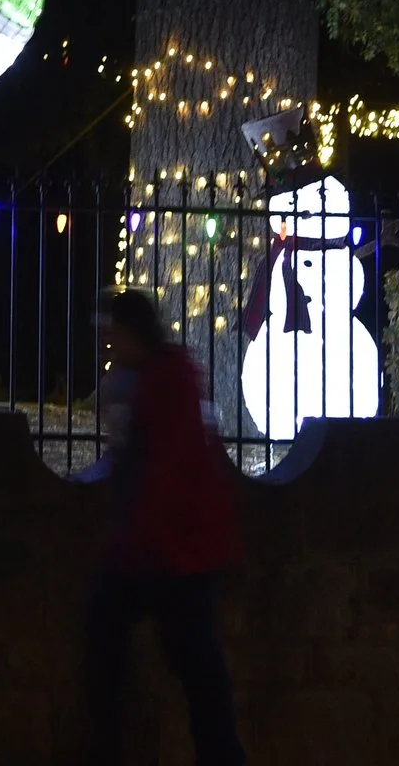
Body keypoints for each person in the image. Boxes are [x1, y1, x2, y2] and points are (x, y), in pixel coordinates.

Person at [84, 287, 246, 766]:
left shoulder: (164, 379)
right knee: (195, 668)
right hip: (166, 550)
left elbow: (166, 470)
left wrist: (134, 541)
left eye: (114, 332)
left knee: (197, 669)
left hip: (178, 551)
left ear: (134, 332)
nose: (108, 343)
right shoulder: (148, 377)